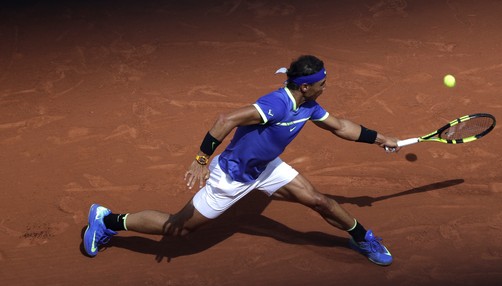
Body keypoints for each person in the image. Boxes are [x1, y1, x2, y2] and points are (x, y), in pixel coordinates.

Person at [83, 55, 400, 266]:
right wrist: (201, 159)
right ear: (306, 86)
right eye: (322, 83)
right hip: (231, 178)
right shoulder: (275, 104)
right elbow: (226, 119)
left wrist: (381, 138)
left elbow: (341, 126)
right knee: (177, 230)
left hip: (267, 169)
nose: (325, 87)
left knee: (319, 201)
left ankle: (363, 238)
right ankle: (107, 221)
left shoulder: (309, 107)